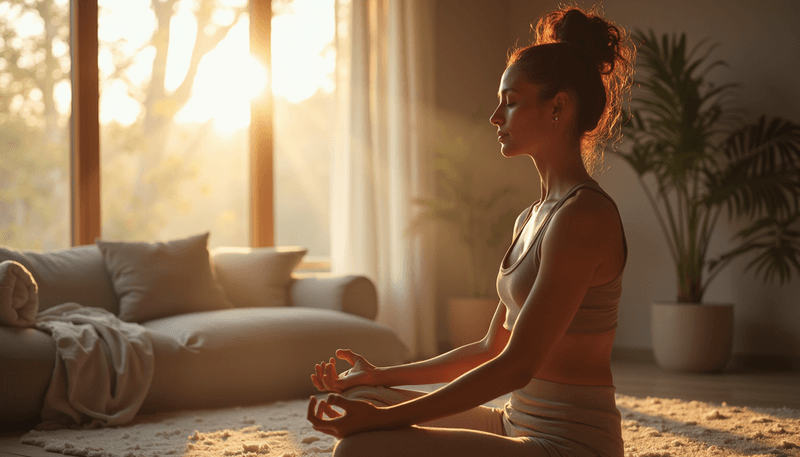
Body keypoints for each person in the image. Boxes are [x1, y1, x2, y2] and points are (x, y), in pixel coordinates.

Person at [306, 5, 635, 457]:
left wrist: (386, 420)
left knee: (359, 448)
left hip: (568, 444)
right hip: (515, 423)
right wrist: (379, 377)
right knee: (357, 399)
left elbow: (515, 367)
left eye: (511, 101)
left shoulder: (584, 217)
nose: (495, 116)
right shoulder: (532, 217)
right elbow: (487, 349)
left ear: (557, 107)